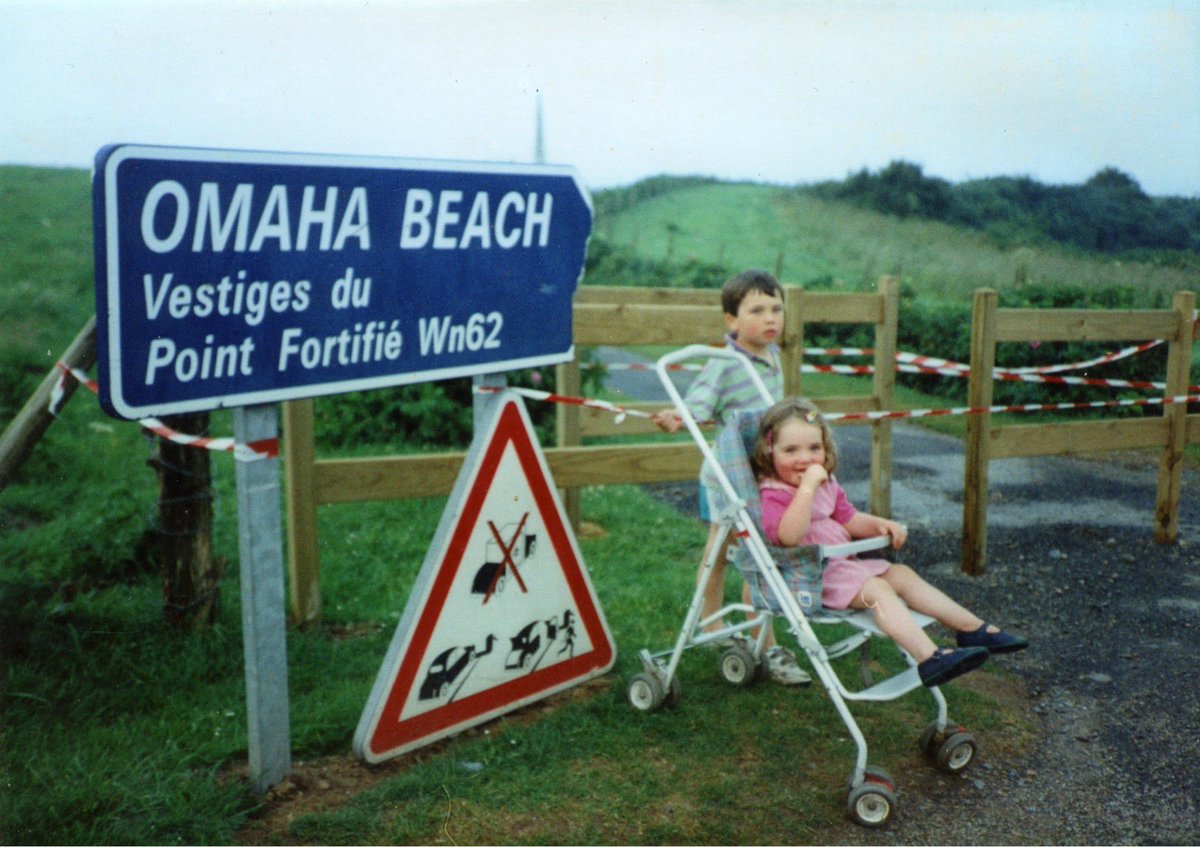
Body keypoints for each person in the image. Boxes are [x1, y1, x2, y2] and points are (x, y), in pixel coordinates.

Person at [751, 397, 1028, 687]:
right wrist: (807, 488)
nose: (805, 458)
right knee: (879, 590)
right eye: (791, 450)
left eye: (814, 448)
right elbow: (788, 536)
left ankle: (971, 628)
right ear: (770, 452)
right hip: (812, 577)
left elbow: (849, 519)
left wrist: (879, 525)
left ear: (826, 448)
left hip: (844, 567)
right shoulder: (775, 493)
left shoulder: (827, 483)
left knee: (902, 575)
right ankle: (929, 656)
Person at [652, 269, 810, 686]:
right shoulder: (726, 362)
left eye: (776, 308)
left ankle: (734, 631)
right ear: (732, 321)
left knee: (736, 554)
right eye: (757, 310)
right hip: (727, 480)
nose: (770, 317)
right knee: (735, 556)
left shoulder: (771, 356)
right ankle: (746, 638)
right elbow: (700, 400)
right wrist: (677, 415)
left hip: (758, 477)